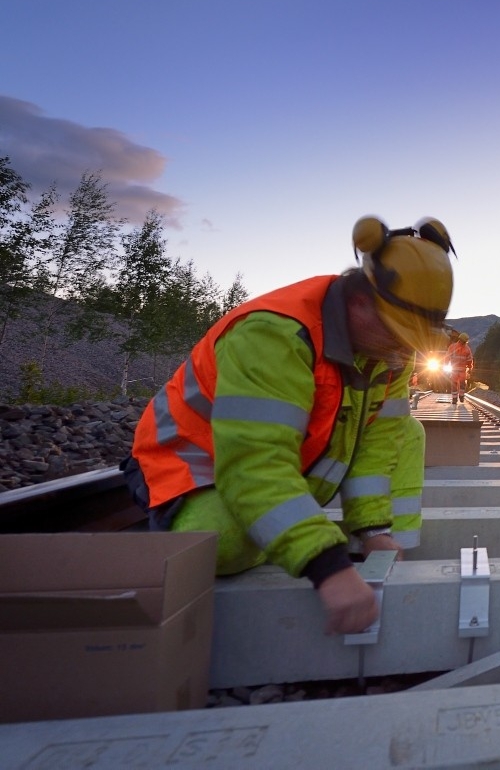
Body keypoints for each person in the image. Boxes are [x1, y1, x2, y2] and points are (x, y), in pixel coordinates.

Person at [121, 215, 455, 634]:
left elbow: (378, 445)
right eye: (398, 333)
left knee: (407, 433)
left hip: (283, 466)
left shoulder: (387, 354)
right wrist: (326, 565)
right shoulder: (275, 334)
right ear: (360, 301)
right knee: (220, 542)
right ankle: (294, 538)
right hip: (194, 469)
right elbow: (254, 463)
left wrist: (373, 530)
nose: (404, 351)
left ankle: (359, 553)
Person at [446, 331, 474, 404]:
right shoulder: (455, 347)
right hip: (456, 370)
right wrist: (470, 367)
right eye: (463, 341)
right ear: (460, 340)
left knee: (461, 384)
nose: (464, 342)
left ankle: (460, 396)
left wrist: (470, 367)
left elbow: (470, 360)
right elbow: (447, 356)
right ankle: (455, 398)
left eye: (465, 341)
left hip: (460, 370)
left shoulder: (464, 349)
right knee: (456, 384)